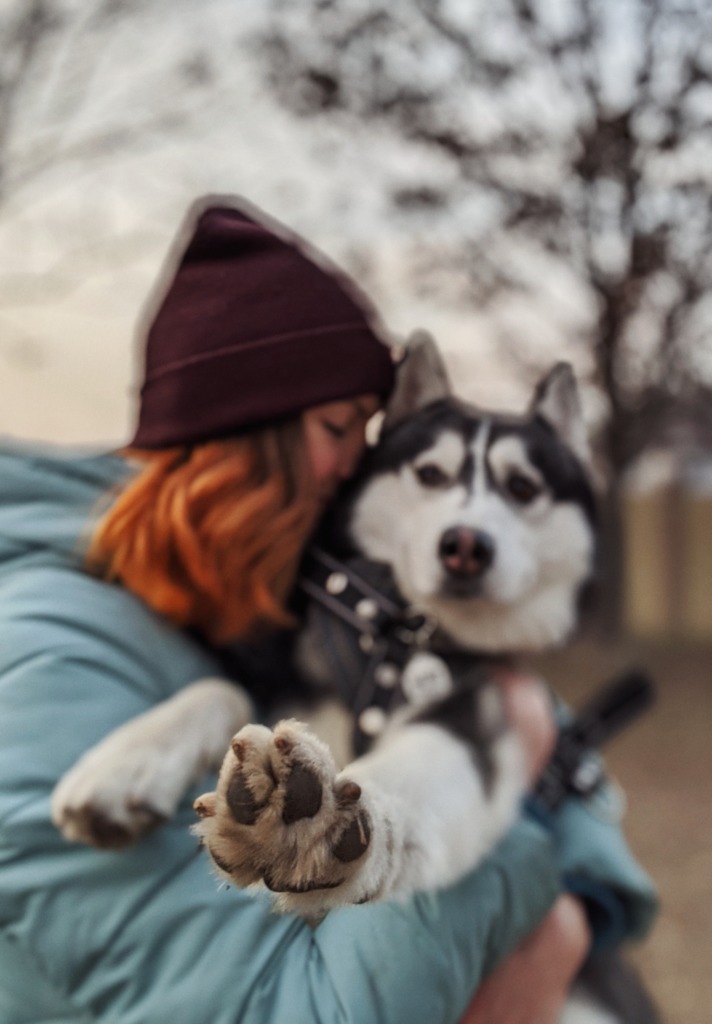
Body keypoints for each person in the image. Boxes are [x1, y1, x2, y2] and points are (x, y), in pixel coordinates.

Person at [0, 198, 657, 1024]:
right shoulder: (39, 659)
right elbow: (287, 1007)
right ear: (245, 428)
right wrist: (521, 830)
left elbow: (478, 707)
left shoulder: (258, 596)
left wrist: (577, 881)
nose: (360, 465)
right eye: (341, 427)